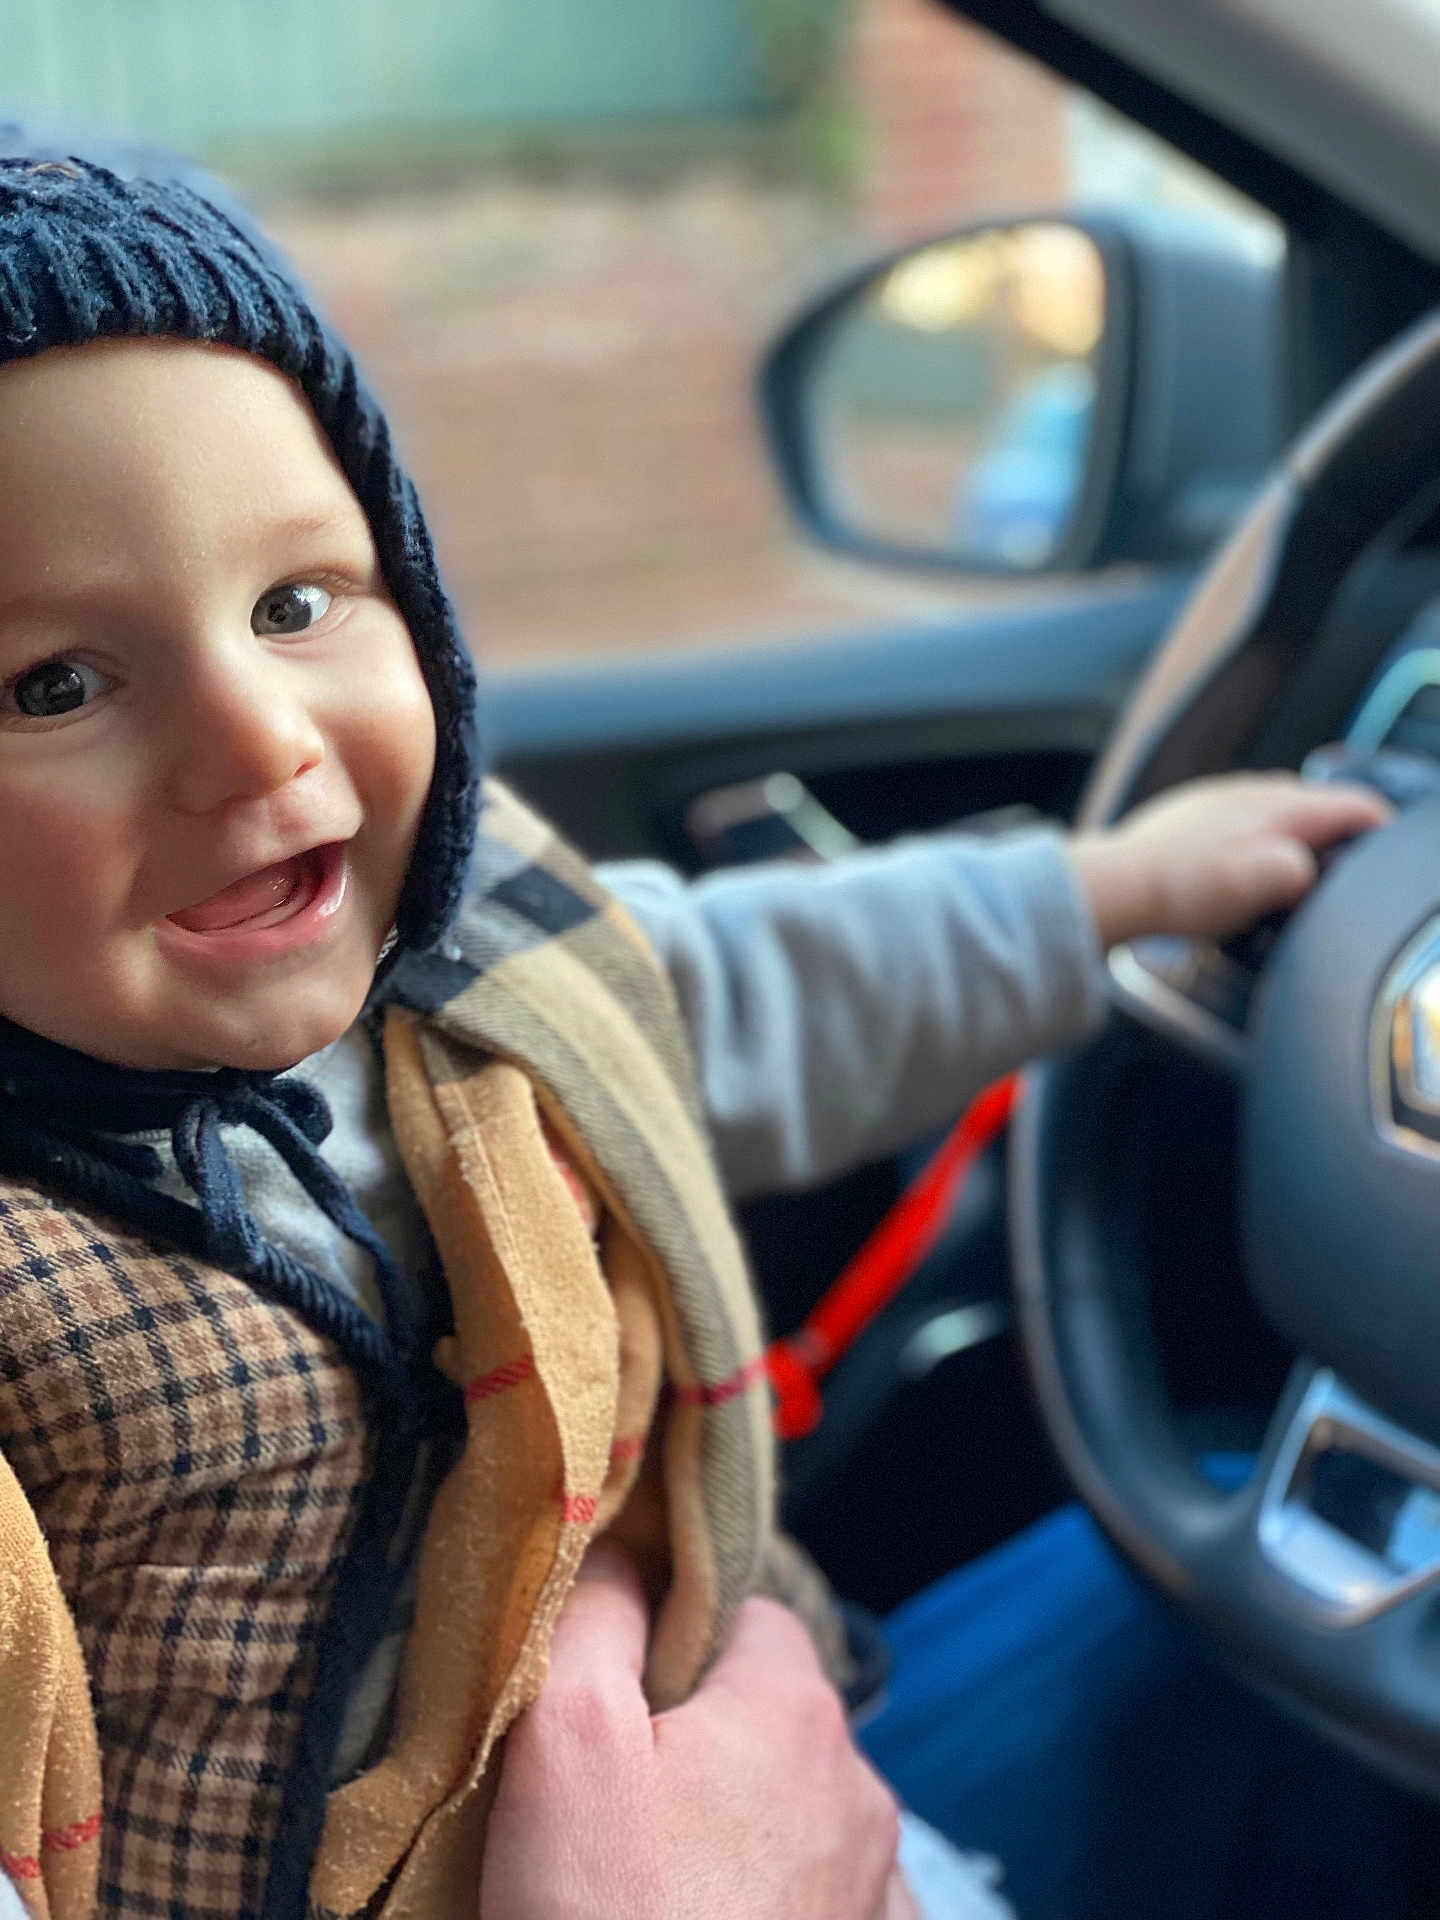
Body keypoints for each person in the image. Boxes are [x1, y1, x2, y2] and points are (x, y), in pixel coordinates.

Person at [0, 142, 1391, 1920]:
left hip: (759, 1757)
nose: (259, 737)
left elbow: (746, 981)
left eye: (296, 603)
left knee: (1223, 1599)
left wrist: (1111, 889)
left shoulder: (472, 949)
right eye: (54, 684)